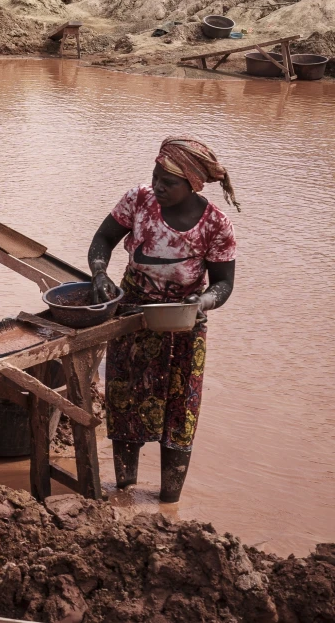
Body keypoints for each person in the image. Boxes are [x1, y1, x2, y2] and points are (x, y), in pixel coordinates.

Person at [88, 138, 237, 503]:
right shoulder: (139, 200)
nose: (157, 186)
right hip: (133, 314)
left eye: (168, 182)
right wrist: (99, 274)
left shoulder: (215, 224)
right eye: (156, 176)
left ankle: (169, 500)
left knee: (180, 412)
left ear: (193, 184)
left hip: (184, 322)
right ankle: (124, 489)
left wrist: (202, 302)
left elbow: (223, 284)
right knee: (124, 402)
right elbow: (103, 239)